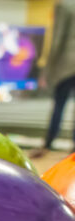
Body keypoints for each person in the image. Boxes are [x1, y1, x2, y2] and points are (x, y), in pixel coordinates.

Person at [32, 0, 75, 158]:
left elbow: (57, 38)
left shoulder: (64, 5)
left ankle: (48, 144)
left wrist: (47, 71)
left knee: (59, 105)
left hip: (66, 64)